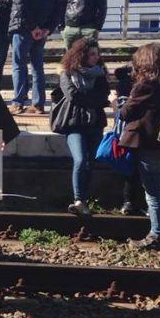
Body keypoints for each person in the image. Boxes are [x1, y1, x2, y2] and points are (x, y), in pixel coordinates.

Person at [117, 43, 160, 249]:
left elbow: (126, 113)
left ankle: (157, 235)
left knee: (152, 192)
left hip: (149, 143)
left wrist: (116, 103)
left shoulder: (146, 85)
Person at [54, 38, 110, 216]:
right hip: (74, 123)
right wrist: (95, 99)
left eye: (97, 54)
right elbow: (73, 96)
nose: (96, 57)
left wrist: (93, 98)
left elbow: (104, 95)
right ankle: (78, 199)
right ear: (82, 55)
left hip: (95, 124)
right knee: (80, 160)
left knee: (90, 162)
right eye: (92, 54)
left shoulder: (100, 74)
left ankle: (84, 199)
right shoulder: (67, 73)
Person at [8, 0, 60, 115]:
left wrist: (32, 28)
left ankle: (18, 102)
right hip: (41, 32)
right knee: (37, 67)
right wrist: (47, 29)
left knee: (19, 65)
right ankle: (38, 104)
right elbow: (57, 9)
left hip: (24, 30)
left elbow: (20, 6)